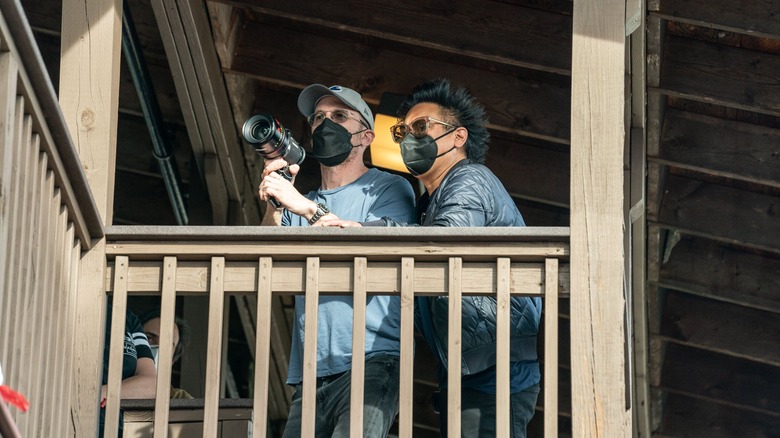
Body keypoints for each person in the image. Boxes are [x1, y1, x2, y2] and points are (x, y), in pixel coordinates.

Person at [320, 78, 542, 437]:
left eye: (421, 127)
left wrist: (355, 228)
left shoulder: (469, 179)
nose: (410, 138)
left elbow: (442, 241)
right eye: (403, 131)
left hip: (497, 373)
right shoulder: (429, 204)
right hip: (472, 371)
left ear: (458, 137)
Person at [258, 84, 416, 437]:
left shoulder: (388, 189)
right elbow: (266, 258)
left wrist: (305, 207)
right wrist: (275, 198)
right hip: (311, 373)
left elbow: (377, 244)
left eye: (340, 116)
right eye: (318, 118)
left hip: (373, 361)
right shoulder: (301, 200)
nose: (325, 124)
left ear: (366, 137)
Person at [100, 308, 156, 437]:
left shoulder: (127, 318)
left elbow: (151, 384)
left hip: (115, 428)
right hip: (67, 422)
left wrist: (104, 392)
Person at [139, 309, 194, 399]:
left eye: (167, 345)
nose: (158, 348)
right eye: (149, 338)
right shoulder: (111, 388)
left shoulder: (181, 399)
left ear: (172, 360)